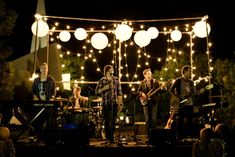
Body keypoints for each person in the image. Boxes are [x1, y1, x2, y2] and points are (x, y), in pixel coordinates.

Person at [95, 65, 123, 145]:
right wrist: (104, 88)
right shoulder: (102, 80)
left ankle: (111, 138)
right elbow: (96, 92)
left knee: (113, 121)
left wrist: (120, 103)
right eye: (111, 69)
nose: (113, 70)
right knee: (107, 120)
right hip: (106, 103)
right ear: (107, 70)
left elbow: (119, 92)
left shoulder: (116, 80)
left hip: (114, 103)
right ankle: (107, 137)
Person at [169, 65, 198, 140]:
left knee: (190, 121)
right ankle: (180, 137)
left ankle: (190, 137)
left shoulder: (191, 82)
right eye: (189, 71)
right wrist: (178, 96)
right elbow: (171, 90)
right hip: (181, 104)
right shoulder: (178, 80)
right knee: (181, 121)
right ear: (184, 72)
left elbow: (194, 93)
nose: (191, 73)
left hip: (190, 104)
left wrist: (198, 92)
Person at [31, 62, 57, 141]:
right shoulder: (36, 80)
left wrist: (52, 97)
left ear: (47, 69)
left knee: (48, 121)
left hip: (48, 103)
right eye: (43, 68)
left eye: (46, 68)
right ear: (40, 69)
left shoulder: (51, 79)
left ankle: (47, 138)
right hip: (39, 103)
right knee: (39, 120)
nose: (45, 70)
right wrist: (35, 96)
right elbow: (33, 90)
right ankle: (39, 137)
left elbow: (54, 91)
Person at [137, 68, 167, 134]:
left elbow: (160, 91)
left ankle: (153, 135)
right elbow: (138, 91)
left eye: (150, 73)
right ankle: (148, 135)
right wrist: (142, 94)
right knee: (147, 120)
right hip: (145, 102)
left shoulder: (155, 81)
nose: (150, 75)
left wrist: (164, 88)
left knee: (153, 119)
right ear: (144, 75)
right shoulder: (142, 83)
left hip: (154, 102)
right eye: (148, 73)